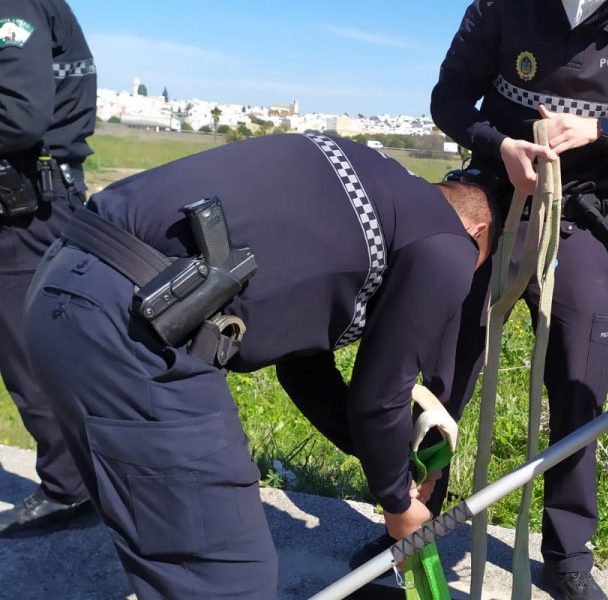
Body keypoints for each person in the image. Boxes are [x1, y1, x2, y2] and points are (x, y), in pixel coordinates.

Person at [21, 133, 496, 599]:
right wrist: (398, 503)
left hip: (64, 289)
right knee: (227, 577)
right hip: (131, 326)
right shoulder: (448, 240)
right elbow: (381, 393)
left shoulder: (372, 185)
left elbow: (302, 368)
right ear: (478, 233)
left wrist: (393, 466)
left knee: (169, 553)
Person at [386, 1, 608, 598]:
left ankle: (569, 554)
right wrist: (500, 146)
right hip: (491, 201)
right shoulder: (500, 7)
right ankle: (410, 528)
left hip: (578, 214)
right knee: (444, 373)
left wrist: (604, 132)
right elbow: (447, 103)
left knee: (580, 382)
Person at [0, 0, 96, 537]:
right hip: (34, 204)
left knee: (29, 355)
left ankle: (69, 490)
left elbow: (18, 114)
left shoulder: (13, 5)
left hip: (26, 213)